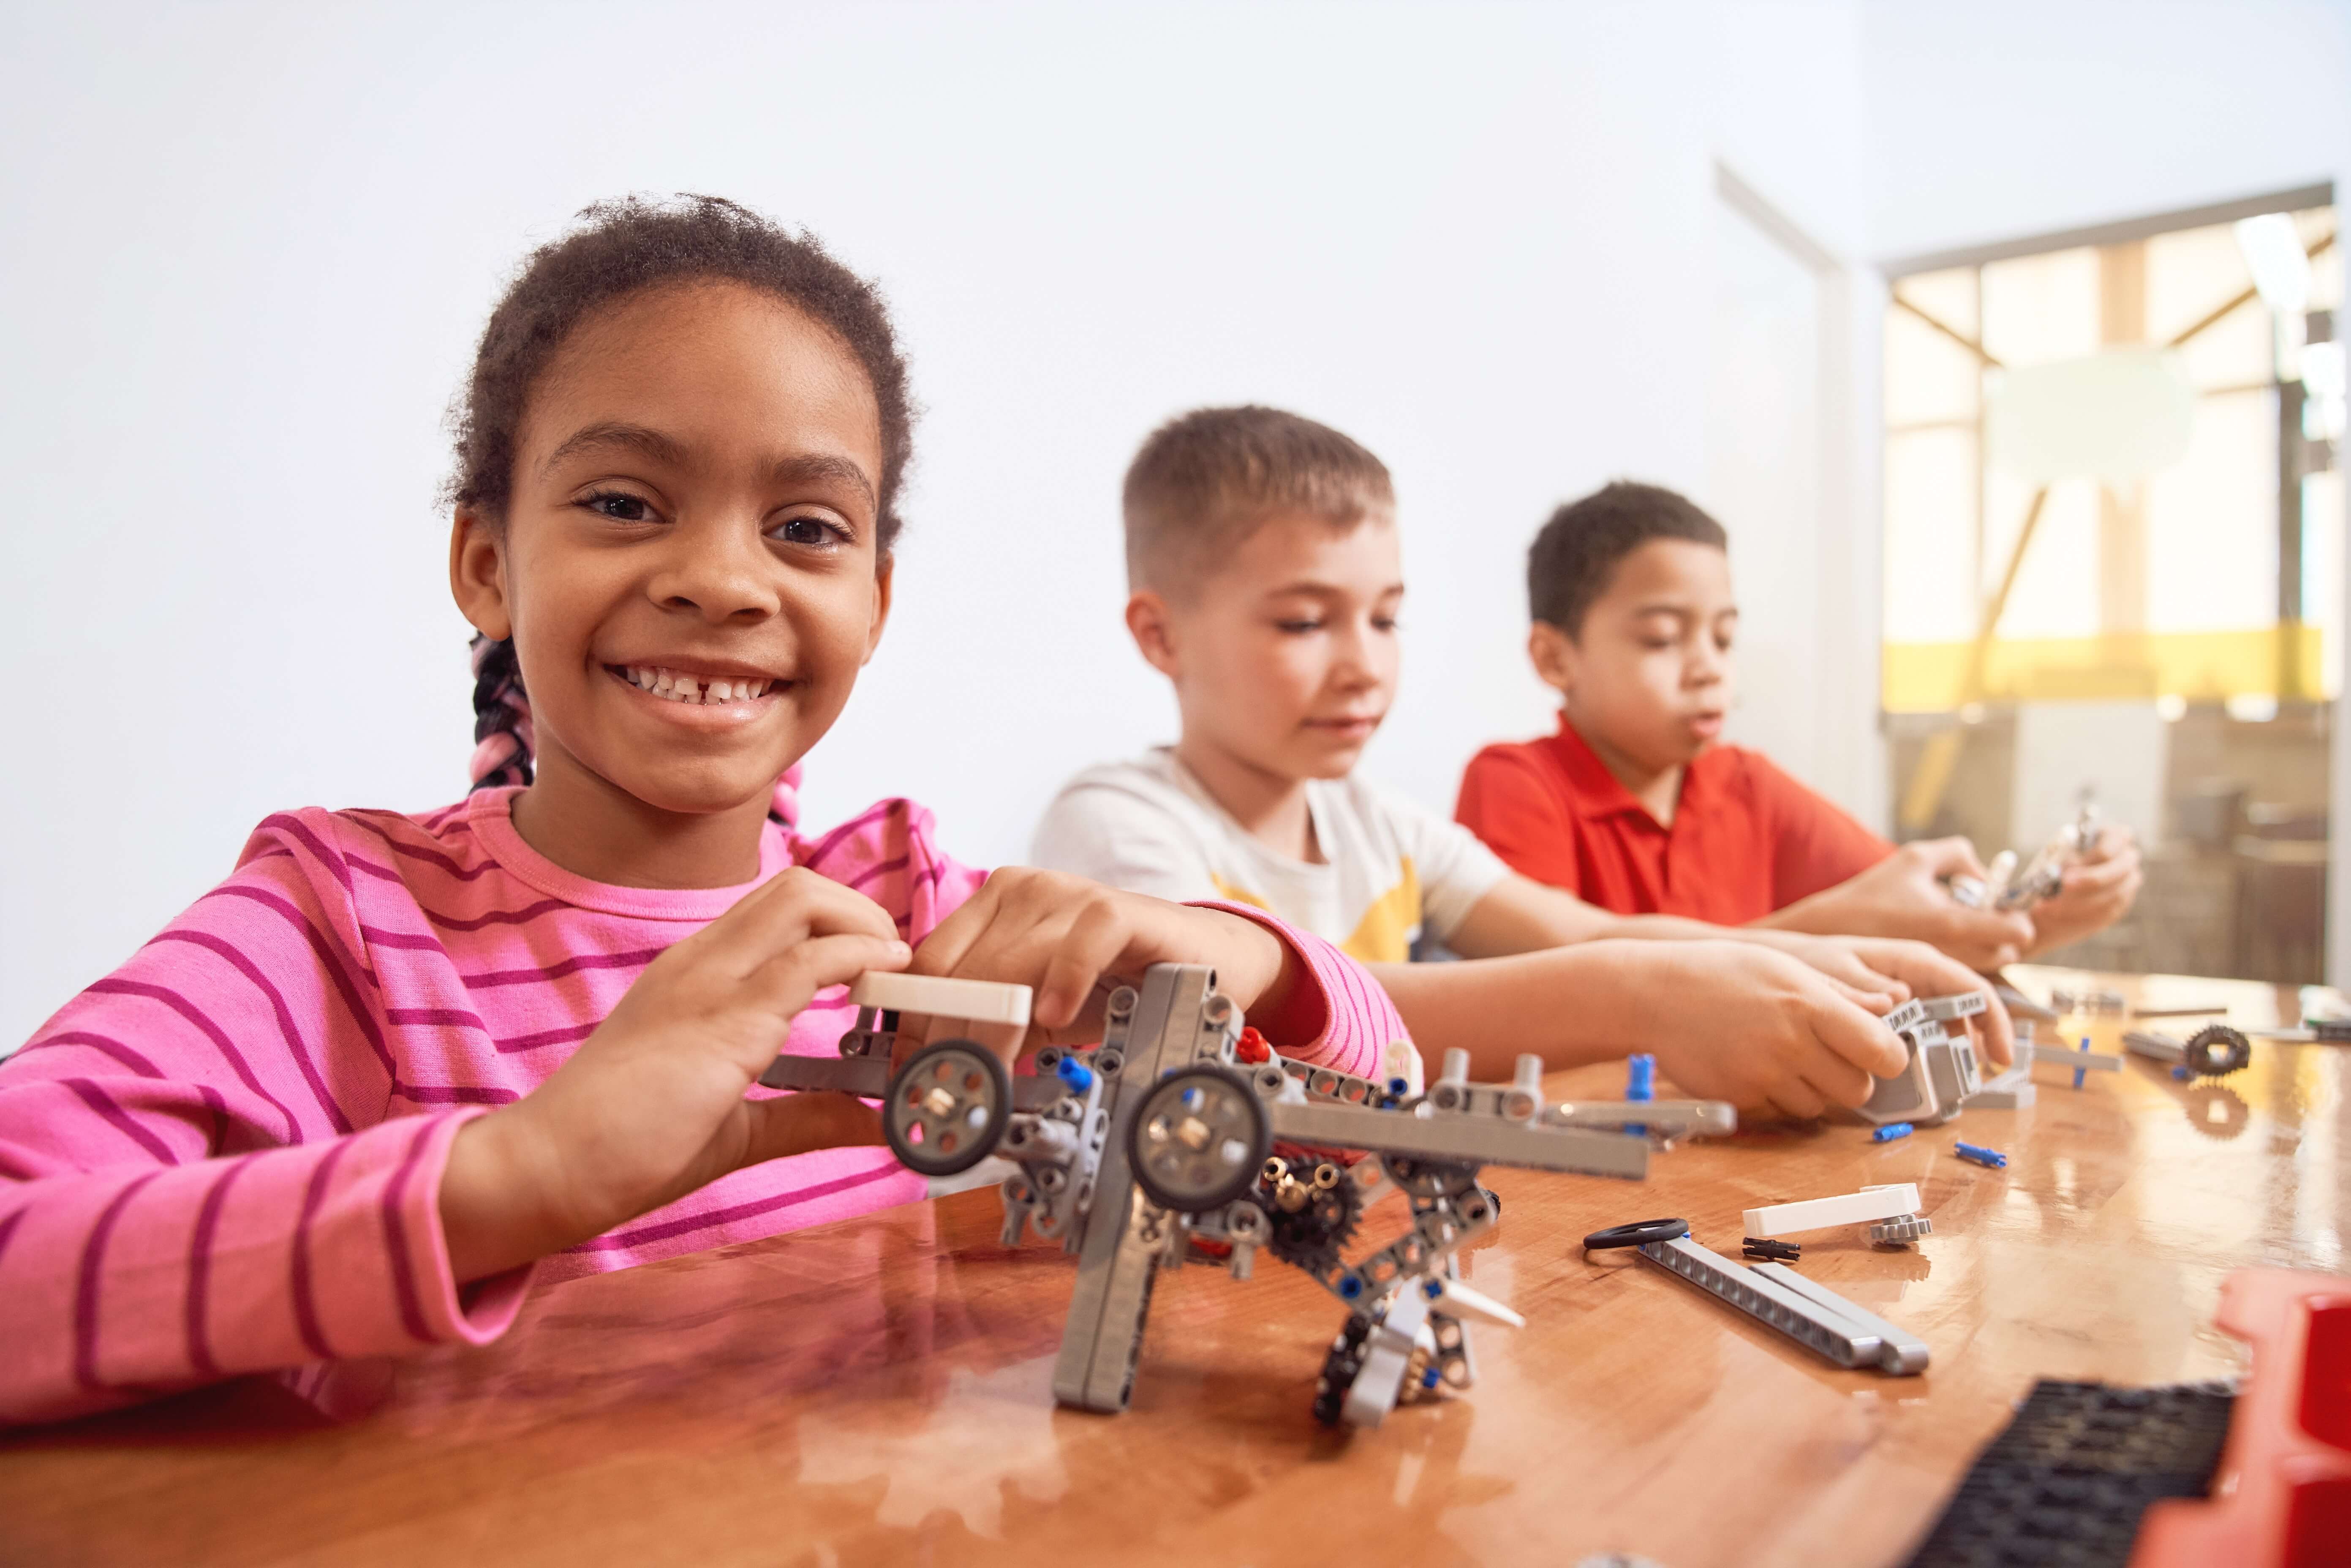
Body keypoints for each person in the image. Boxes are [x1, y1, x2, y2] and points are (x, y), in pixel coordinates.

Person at [0, 200, 1410, 1427]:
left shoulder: (914, 912)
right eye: (623, 501)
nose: (722, 580)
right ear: (486, 564)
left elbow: (1385, 1129)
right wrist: (519, 1176)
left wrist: (1244, 957)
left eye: (805, 528)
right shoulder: (341, 930)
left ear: (875, 601)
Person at [1031, 407, 2008, 1116]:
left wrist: (1826, 961)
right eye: (1301, 621)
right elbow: (1285, 1017)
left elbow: (1580, 933)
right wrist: (1649, 997)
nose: (1365, 664)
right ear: (1160, 636)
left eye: (1386, 617)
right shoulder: (1115, 824)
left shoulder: (1382, 824)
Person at [1453, 481, 2144, 967]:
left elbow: (1923, 919)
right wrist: (1836, 928)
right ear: (1553, 656)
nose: (1707, 669)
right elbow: (1557, 990)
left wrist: (2061, 907)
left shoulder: (1745, 785)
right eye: (1662, 639)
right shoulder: (1517, 783)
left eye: (1723, 639)